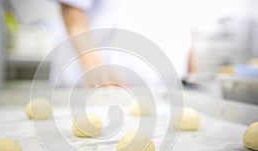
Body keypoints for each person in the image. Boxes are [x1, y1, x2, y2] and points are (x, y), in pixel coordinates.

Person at [49, 0, 195, 87]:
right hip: (99, 86)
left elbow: (183, 19)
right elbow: (72, 8)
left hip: (167, 89)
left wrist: (191, 72)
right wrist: (94, 66)